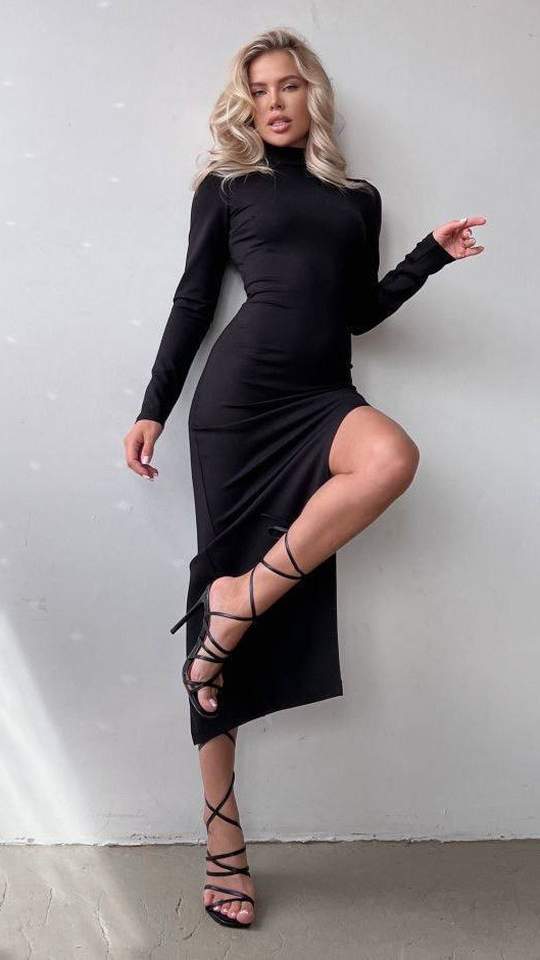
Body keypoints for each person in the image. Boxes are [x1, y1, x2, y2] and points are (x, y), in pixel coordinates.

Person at [123, 28, 486, 929]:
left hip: (323, 395)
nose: (274, 103)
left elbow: (356, 311)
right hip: (238, 404)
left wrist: (428, 256)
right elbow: (194, 299)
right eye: (258, 91)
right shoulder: (227, 186)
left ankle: (239, 601)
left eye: (288, 86)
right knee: (214, 631)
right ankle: (223, 840)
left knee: (390, 458)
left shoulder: (356, 199)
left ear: (312, 95)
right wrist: (153, 406)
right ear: (244, 104)